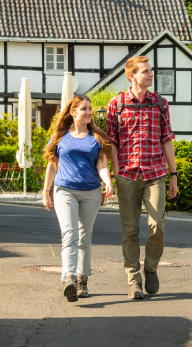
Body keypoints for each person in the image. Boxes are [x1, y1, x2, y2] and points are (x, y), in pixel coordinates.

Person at [105, 55, 178, 300]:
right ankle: (133, 280)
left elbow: (167, 139)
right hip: (127, 174)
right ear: (132, 76)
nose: (150, 74)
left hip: (155, 172)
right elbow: (111, 142)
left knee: (157, 224)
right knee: (130, 229)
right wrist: (116, 172)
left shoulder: (160, 103)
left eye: (150, 70)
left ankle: (151, 269)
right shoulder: (116, 104)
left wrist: (174, 174)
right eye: (145, 71)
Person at [42, 94, 114, 302]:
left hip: (91, 191)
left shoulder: (97, 138)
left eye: (90, 108)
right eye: (84, 108)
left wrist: (107, 182)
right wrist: (46, 192)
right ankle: (68, 279)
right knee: (70, 234)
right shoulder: (60, 136)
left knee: (85, 237)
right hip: (65, 190)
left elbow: (102, 164)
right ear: (73, 112)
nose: (89, 112)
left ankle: (82, 279)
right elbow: (52, 165)